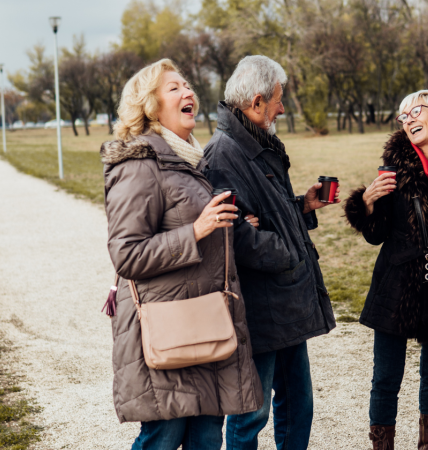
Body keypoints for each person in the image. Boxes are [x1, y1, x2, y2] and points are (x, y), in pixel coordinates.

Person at [100, 58, 262, 450]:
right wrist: (198, 231)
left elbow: (190, 220)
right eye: (174, 88)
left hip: (205, 322)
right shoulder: (138, 163)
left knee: (207, 439)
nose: (188, 92)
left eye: (187, 85)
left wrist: (229, 228)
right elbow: (126, 254)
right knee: (163, 438)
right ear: (151, 106)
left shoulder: (190, 160)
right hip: (169, 328)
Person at [201, 55, 338, 450]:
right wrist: (288, 254)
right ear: (257, 101)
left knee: (298, 403)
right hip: (258, 307)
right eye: (279, 99)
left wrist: (302, 207)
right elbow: (234, 234)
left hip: (287, 299)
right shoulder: (223, 153)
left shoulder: (259, 143)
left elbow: (266, 215)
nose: (282, 107)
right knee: (251, 412)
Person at [344, 90, 428, 450]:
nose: (407, 119)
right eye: (402, 115)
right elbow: (375, 236)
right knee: (386, 377)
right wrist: (368, 203)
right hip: (396, 283)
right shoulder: (392, 168)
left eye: (415, 111)